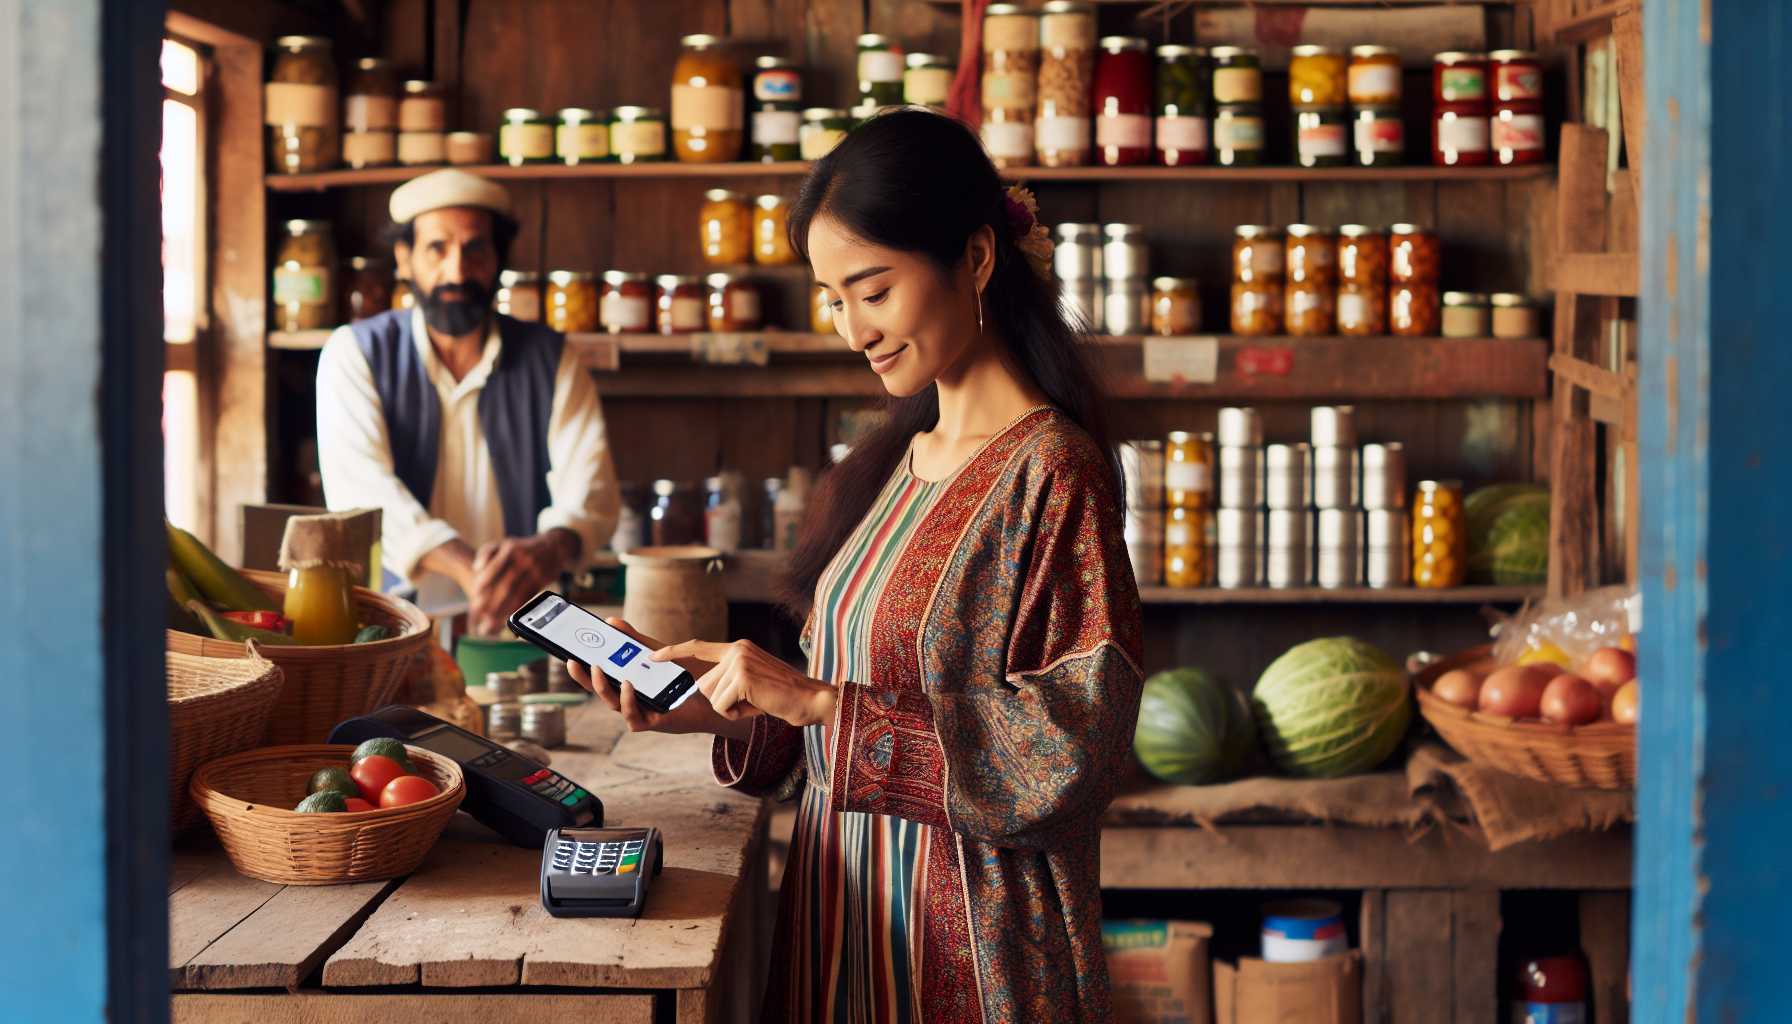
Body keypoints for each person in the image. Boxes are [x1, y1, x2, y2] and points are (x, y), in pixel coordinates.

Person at [570, 109, 1144, 1021]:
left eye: (872, 291)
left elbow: (1072, 747)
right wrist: (714, 709)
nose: (851, 329)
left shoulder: (1054, 471)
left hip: (975, 952)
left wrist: (819, 703)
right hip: (845, 927)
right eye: (834, 299)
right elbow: (838, 723)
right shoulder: (895, 462)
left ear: (979, 260)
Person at [316, 169, 620, 632]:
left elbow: (591, 491)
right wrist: (470, 569)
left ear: (497, 258)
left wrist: (551, 546)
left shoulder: (551, 357)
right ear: (404, 259)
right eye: (437, 248)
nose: (457, 271)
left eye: (475, 249)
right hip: (391, 622)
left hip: (525, 624)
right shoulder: (355, 353)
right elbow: (362, 493)